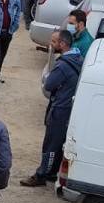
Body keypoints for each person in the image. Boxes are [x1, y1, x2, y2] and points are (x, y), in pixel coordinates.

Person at [21, 30, 83, 187]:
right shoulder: (79, 58)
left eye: (54, 41)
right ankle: (53, 171)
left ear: (62, 44)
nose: (51, 44)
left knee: (51, 144)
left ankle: (42, 174)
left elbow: (49, 84)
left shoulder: (62, 65)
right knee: (59, 143)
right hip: (69, 108)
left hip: (60, 109)